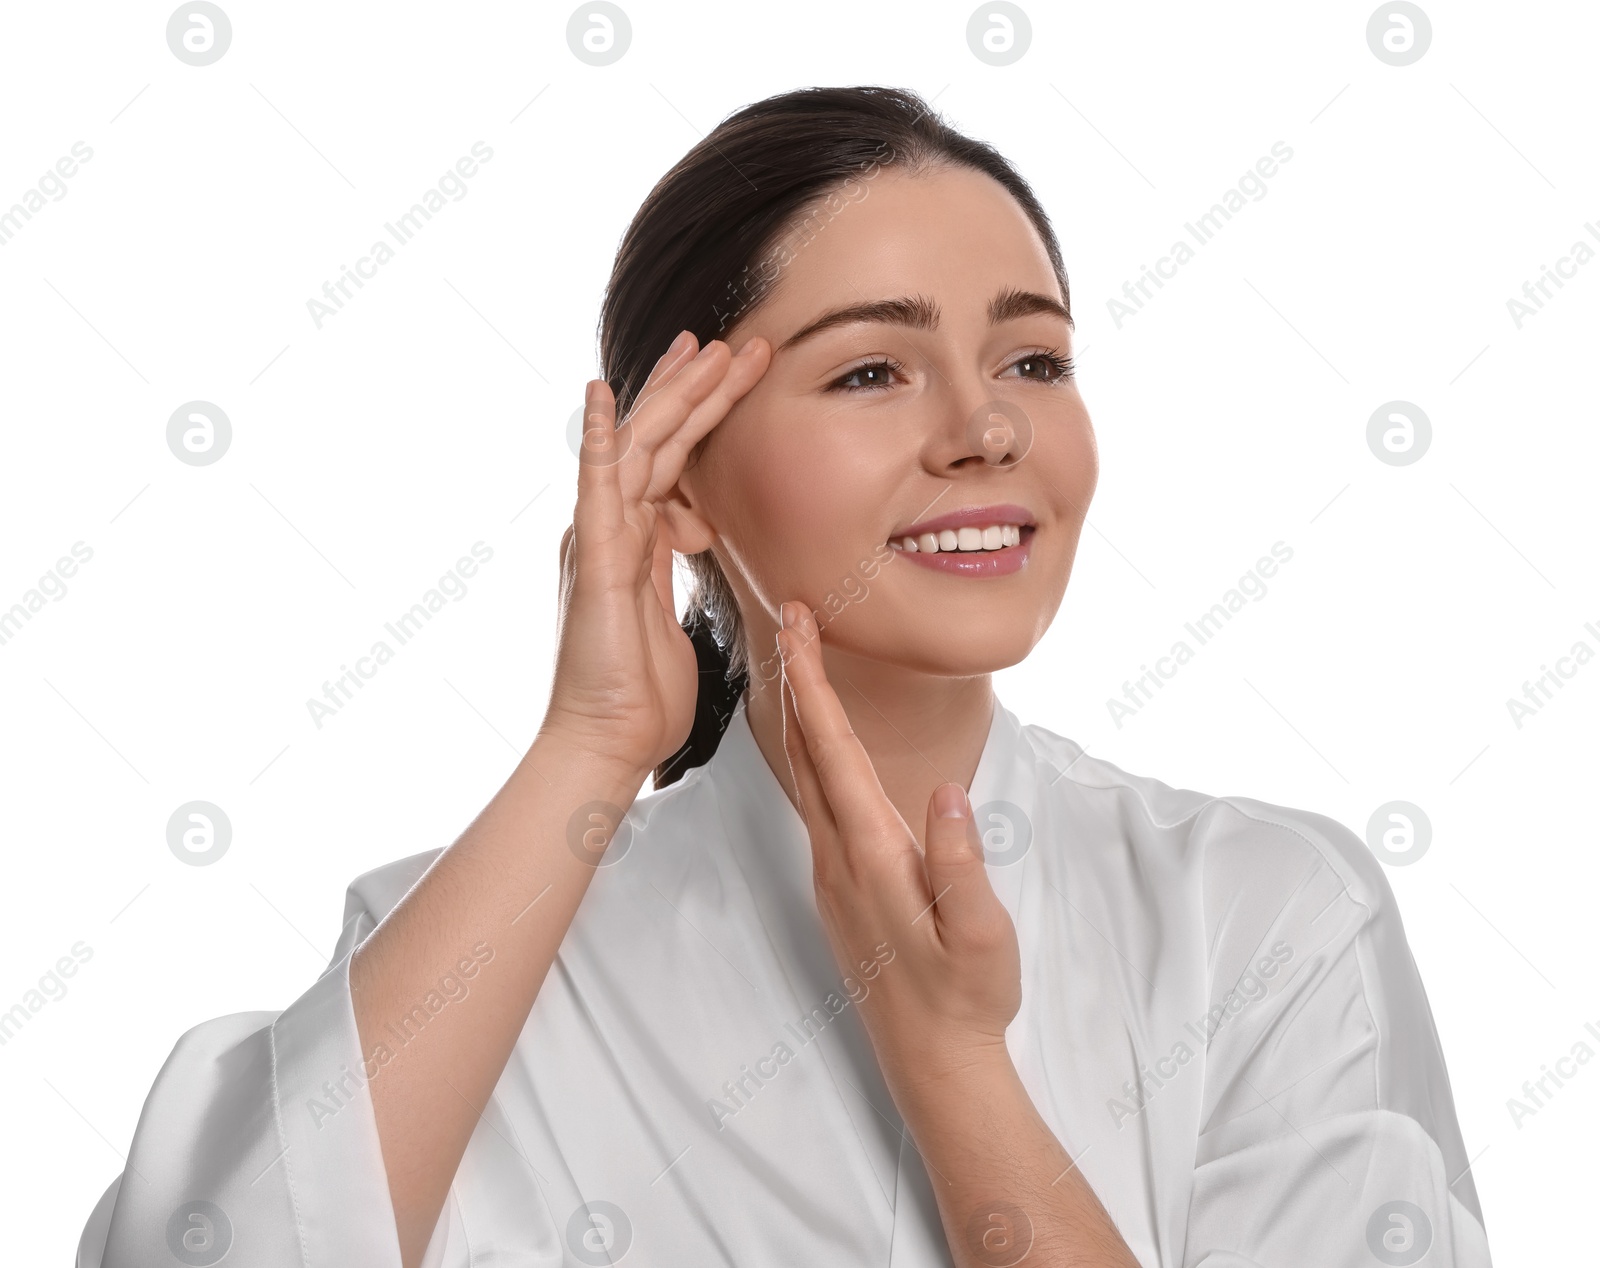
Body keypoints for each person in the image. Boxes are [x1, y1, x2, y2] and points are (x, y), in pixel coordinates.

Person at [78, 85, 1491, 1268]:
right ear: (673, 477)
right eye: (874, 371)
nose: (986, 425)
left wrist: (949, 1059)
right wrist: (589, 743)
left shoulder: (1266, 916)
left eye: (1034, 357)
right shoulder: (484, 956)